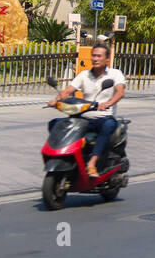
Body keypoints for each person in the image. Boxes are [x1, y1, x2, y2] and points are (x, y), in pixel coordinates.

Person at [51, 42, 125, 178]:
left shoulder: (115, 74)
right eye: (93, 56)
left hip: (103, 117)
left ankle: (92, 163)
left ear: (107, 59)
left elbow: (120, 92)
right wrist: (57, 100)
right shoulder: (84, 75)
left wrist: (108, 103)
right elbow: (68, 90)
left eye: (99, 56)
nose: (95, 59)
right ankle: (66, 158)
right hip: (83, 118)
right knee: (55, 124)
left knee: (108, 125)